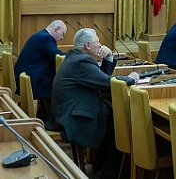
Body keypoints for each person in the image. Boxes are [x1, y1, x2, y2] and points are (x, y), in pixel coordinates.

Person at [50, 28, 139, 178]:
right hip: (72, 119)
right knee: (121, 123)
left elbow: (99, 79)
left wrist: (109, 57)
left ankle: (101, 165)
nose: (100, 45)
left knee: (114, 119)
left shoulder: (75, 57)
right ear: (87, 45)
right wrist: (131, 78)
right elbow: (106, 81)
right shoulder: (81, 62)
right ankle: (109, 172)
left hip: (66, 112)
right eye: (97, 42)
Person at [13, 20, 66, 123]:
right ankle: (52, 121)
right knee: (61, 87)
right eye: (62, 34)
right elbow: (58, 56)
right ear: (57, 29)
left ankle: (45, 118)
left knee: (57, 83)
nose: (62, 38)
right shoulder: (45, 38)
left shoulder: (40, 35)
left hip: (26, 77)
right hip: (32, 80)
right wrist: (77, 56)